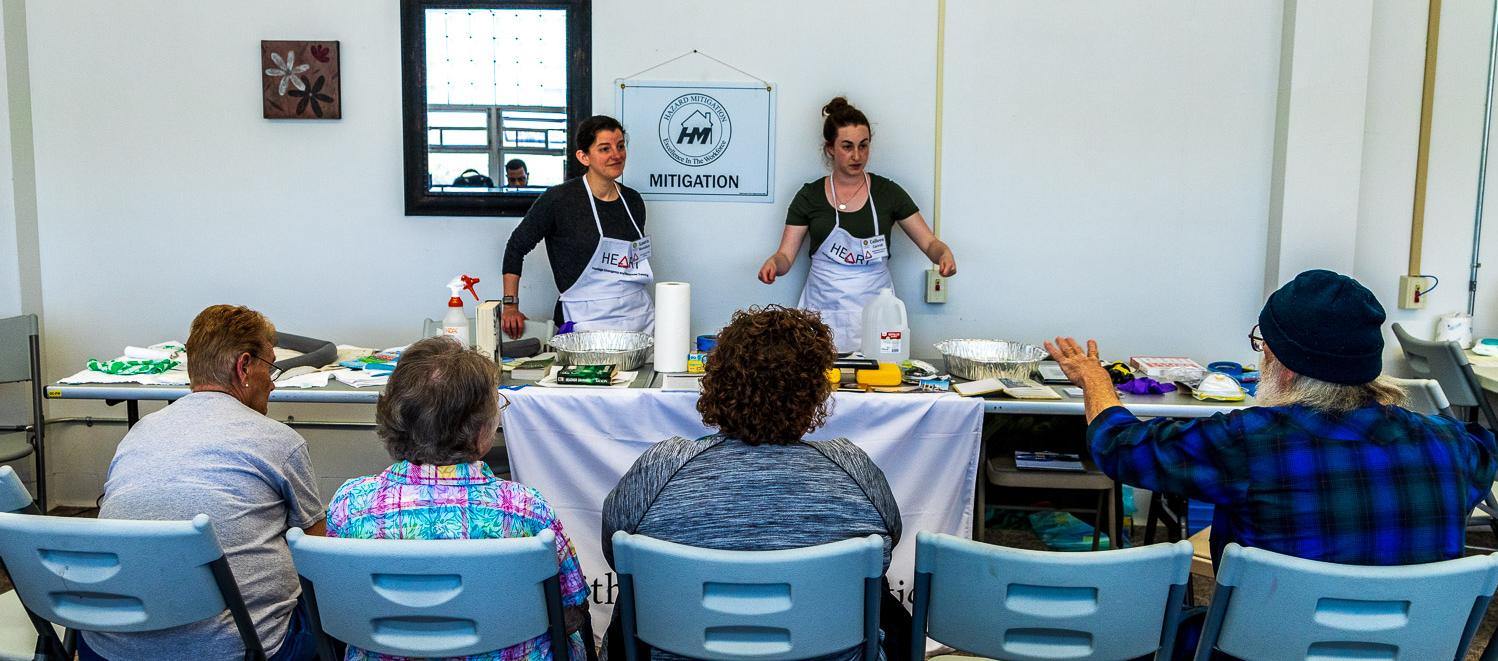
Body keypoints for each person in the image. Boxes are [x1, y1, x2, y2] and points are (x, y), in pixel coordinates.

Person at [1048, 269, 1498, 568]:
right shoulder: (1455, 446)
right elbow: (1483, 459)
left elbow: (1120, 446)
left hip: (1268, 646)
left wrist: (1095, 381)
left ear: (1281, 366)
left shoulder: (1249, 444)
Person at [601, 305, 906, 661]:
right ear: (814, 392)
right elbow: (889, 543)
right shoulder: (854, 471)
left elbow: (615, 550)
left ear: (716, 382)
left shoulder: (661, 468)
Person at [80, 304, 323, 661]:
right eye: (270, 367)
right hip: (240, 651)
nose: (272, 382)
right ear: (244, 366)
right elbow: (318, 556)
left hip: (110, 648)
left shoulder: (138, 433)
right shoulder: (278, 440)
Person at [326, 336, 590, 661]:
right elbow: (572, 609)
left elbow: (340, 606)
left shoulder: (349, 506)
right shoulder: (527, 510)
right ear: (480, 431)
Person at [758, 97, 956, 353]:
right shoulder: (809, 196)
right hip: (823, 309)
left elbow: (929, 242)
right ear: (830, 148)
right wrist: (774, 264)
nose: (857, 156)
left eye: (863, 146)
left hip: (878, 310)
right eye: (847, 146)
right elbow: (785, 255)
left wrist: (944, 254)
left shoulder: (889, 193)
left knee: (879, 380)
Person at [501, 115, 652, 338]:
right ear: (583, 157)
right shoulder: (558, 200)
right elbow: (515, 247)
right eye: (604, 149)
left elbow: (635, 260)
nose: (616, 155)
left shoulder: (633, 201)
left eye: (620, 146)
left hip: (637, 317)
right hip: (585, 320)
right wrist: (510, 306)